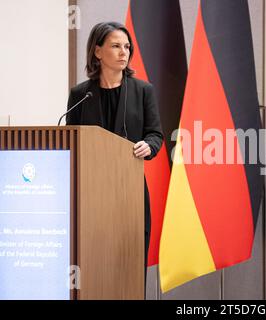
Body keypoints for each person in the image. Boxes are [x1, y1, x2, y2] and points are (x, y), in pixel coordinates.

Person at [66, 22, 163, 294]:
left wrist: (149, 146)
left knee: (129, 265)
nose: (124, 52)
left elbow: (155, 134)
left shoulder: (143, 90)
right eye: (116, 46)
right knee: (93, 263)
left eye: (127, 47)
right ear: (98, 52)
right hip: (91, 195)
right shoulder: (80, 94)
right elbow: (69, 139)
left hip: (129, 191)